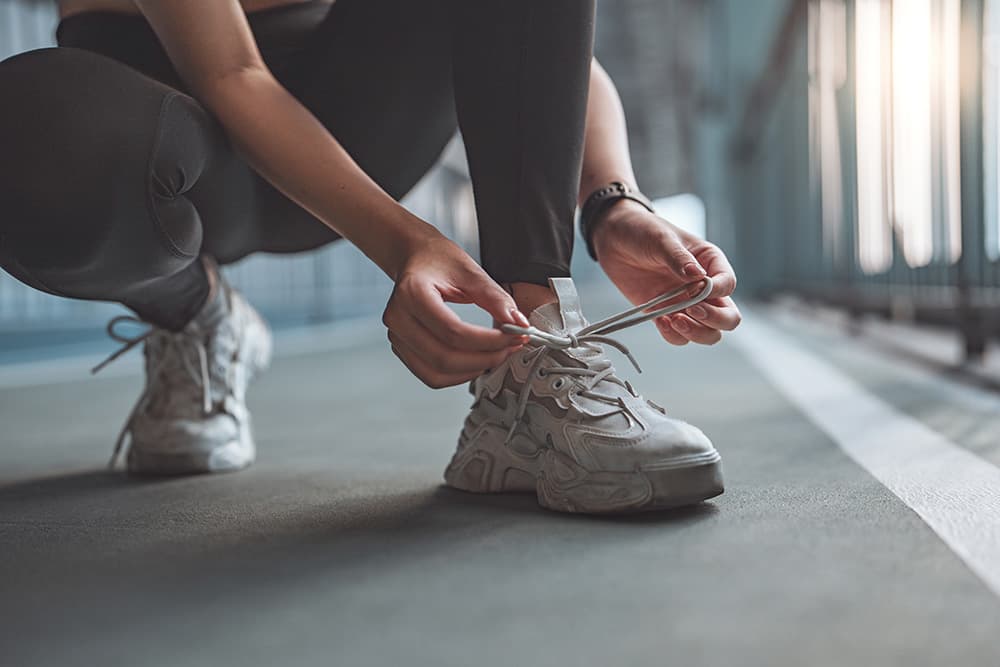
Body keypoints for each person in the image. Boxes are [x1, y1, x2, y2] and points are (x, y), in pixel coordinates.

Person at [0, 0, 741, 514]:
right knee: (32, 135)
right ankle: (192, 315)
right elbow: (232, 74)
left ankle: (529, 360)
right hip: (158, 131)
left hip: (345, 117)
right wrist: (404, 241)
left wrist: (611, 202)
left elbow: (542, 48)